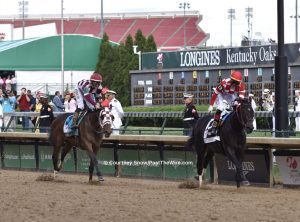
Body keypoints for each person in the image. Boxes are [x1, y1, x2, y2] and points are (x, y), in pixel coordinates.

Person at [208, 70, 245, 134]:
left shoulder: (241, 85)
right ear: (232, 80)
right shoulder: (224, 83)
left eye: (238, 82)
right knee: (220, 108)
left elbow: (241, 98)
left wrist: (238, 105)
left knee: (236, 106)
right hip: (221, 94)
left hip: (230, 95)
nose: (237, 84)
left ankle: (236, 125)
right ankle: (214, 126)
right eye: (236, 82)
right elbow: (215, 93)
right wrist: (211, 105)